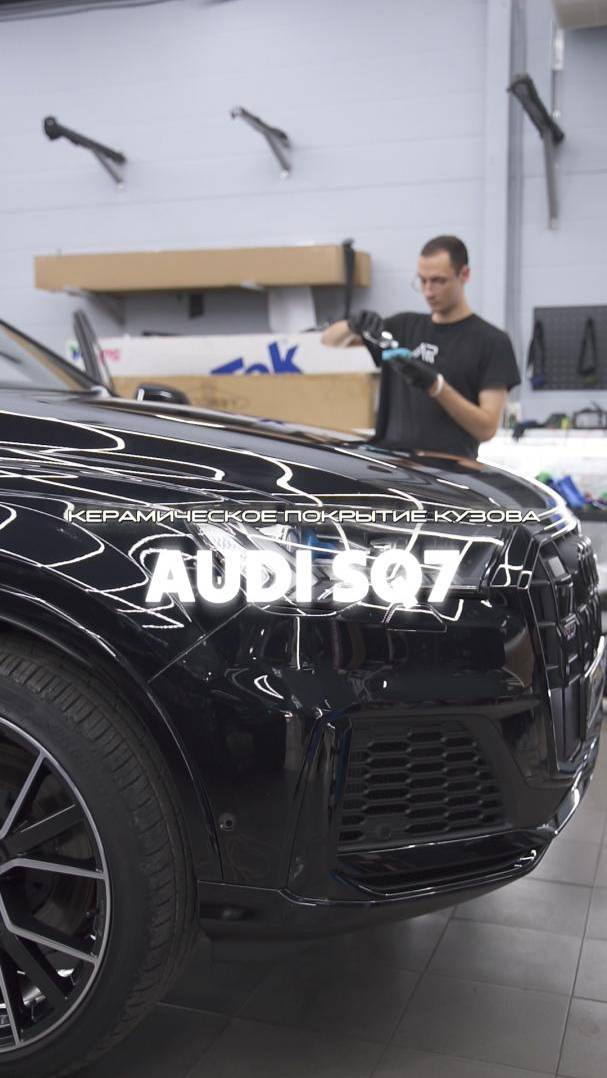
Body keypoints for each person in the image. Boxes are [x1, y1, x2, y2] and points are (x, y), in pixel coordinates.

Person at [321, 235, 520, 459]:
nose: (428, 291)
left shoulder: (492, 341)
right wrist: (353, 325)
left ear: (464, 274)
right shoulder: (402, 327)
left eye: (438, 281)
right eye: (422, 281)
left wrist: (437, 387)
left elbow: (486, 429)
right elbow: (329, 341)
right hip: (392, 466)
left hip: (447, 473)